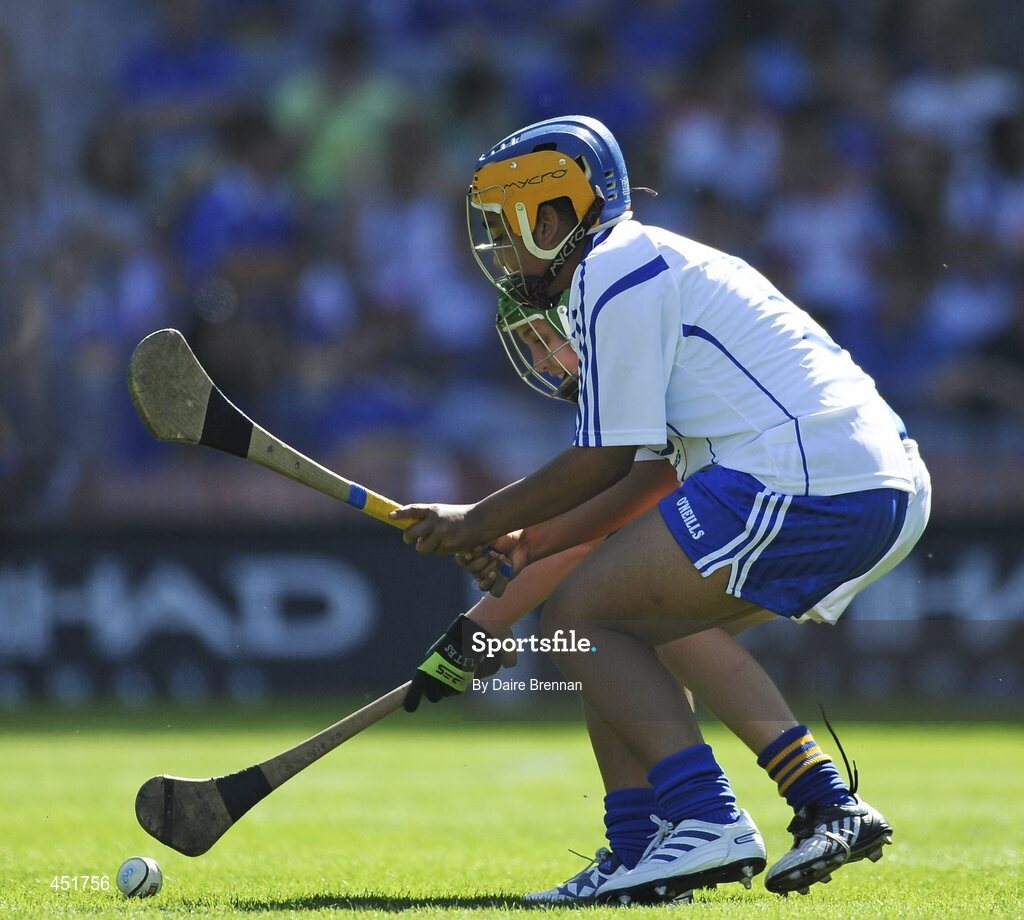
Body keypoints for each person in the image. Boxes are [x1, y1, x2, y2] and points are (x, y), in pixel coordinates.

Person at [393, 116, 931, 905]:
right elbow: (647, 476)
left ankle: (704, 820)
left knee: (587, 619)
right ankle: (646, 846)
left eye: (506, 229)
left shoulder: (613, 270)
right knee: (634, 624)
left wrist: (474, 521)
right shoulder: (634, 265)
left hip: (806, 476)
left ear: (553, 216)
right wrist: (530, 541)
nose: (499, 252)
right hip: (865, 480)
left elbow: (604, 459)